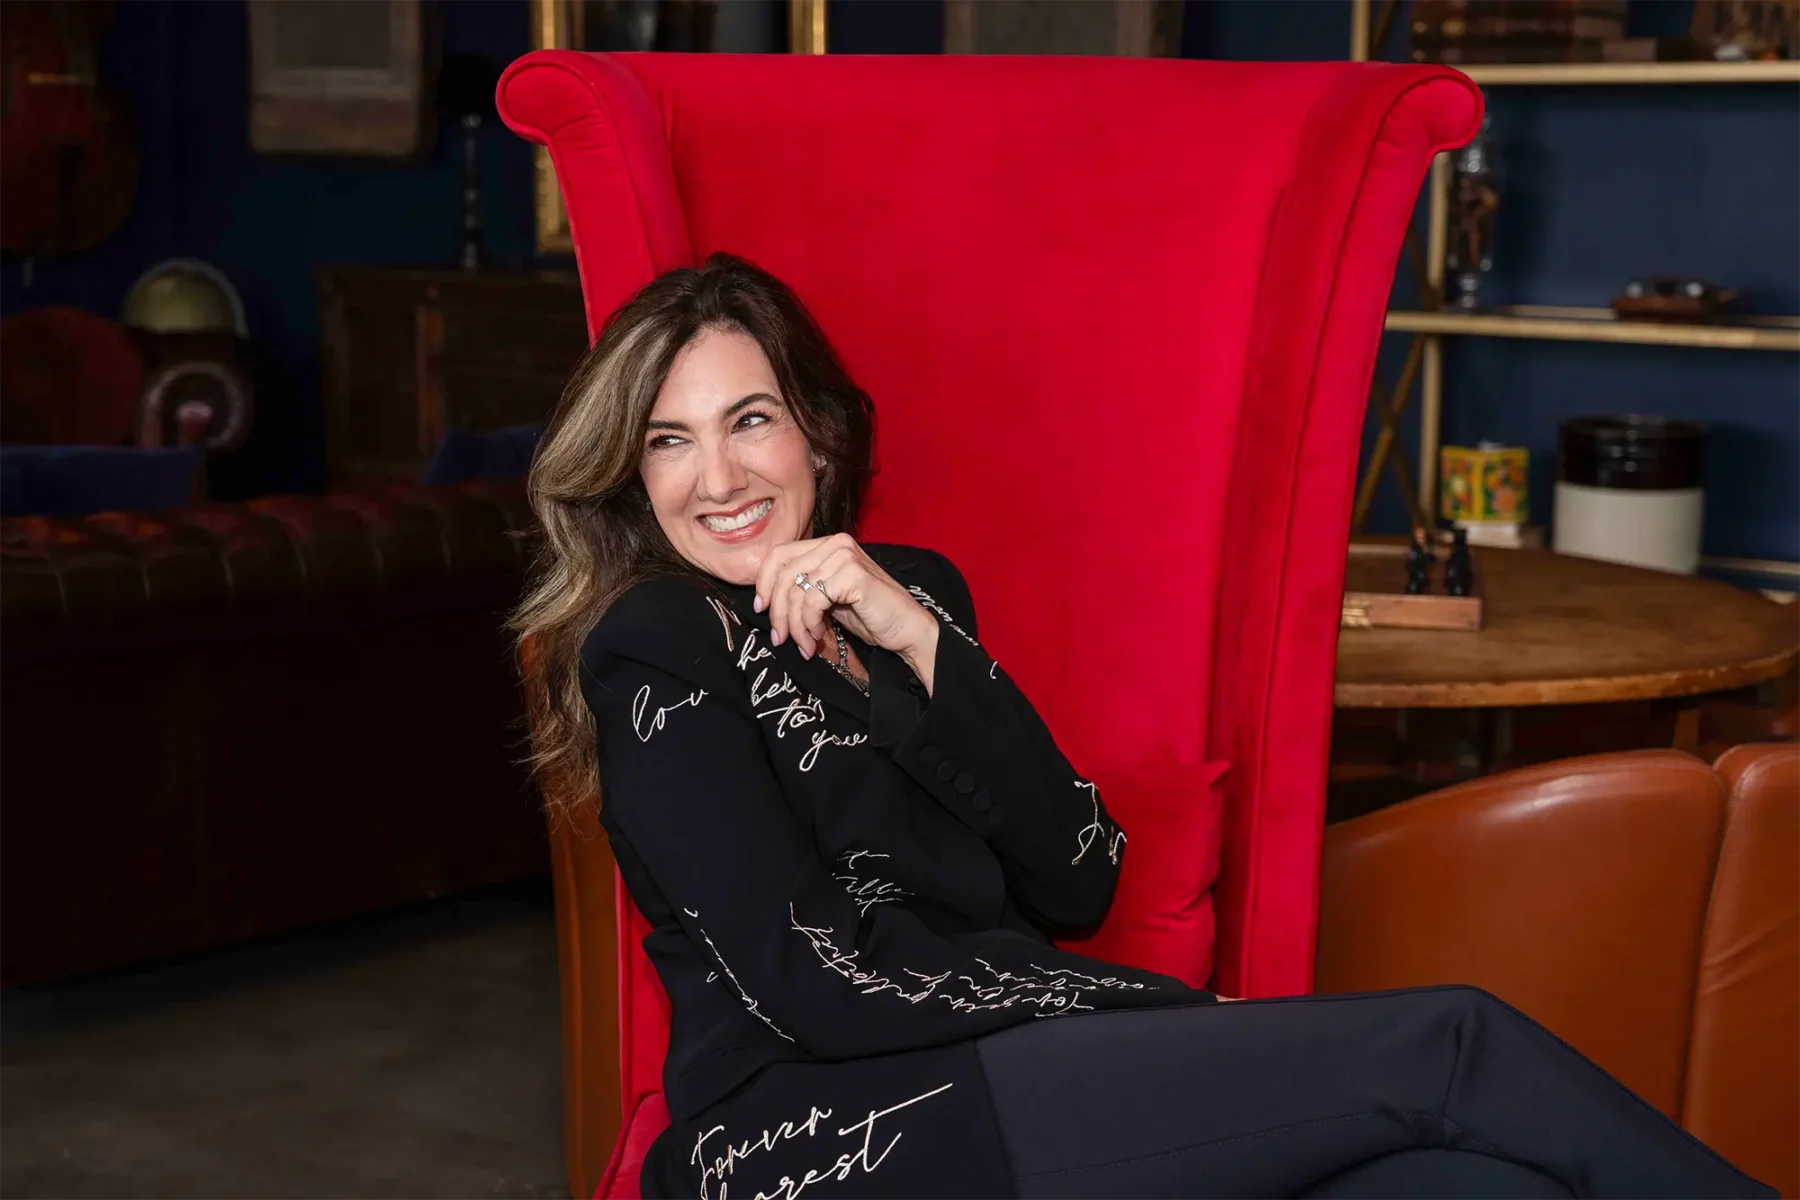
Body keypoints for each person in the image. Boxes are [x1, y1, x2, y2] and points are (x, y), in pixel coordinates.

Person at [511, 252, 1773, 1200]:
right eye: (669, 441)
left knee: (1470, 1186)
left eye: (750, 419)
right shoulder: (656, 647)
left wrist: (917, 642)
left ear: (818, 434)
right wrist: (1134, 1017)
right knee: (1453, 1043)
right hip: (811, 1135)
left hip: (1004, 1073)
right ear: (631, 473)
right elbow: (818, 983)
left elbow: (1077, 871)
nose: (718, 479)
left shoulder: (913, 596)